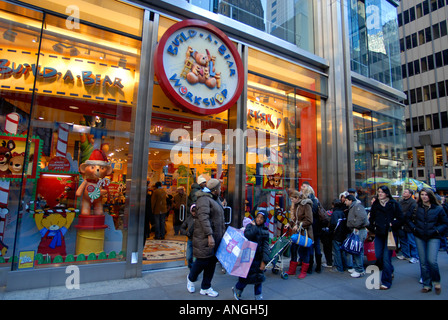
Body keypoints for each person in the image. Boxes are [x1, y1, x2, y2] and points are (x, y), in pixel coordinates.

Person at [187, 179, 226, 297]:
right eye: (219, 188)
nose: (220, 190)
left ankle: (206, 287)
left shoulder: (215, 199)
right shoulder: (204, 199)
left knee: (212, 262)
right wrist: (210, 235)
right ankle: (191, 278)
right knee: (202, 261)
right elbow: (204, 219)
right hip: (205, 237)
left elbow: (217, 217)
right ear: (214, 190)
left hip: (216, 237)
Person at [406, 188, 448, 294]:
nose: (424, 196)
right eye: (422, 194)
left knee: (432, 261)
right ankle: (427, 284)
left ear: (430, 196)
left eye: (426, 194)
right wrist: (414, 229)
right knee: (423, 262)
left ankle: (436, 281)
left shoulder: (438, 208)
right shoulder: (416, 206)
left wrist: (437, 231)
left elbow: (445, 222)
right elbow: (407, 218)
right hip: (420, 235)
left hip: (433, 236)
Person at [367, 185, 404, 290]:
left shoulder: (393, 204)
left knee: (386, 258)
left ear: (387, 193)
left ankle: (386, 282)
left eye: (382, 192)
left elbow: (401, 218)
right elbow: (371, 218)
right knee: (378, 255)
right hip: (379, 233)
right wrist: (373, 227)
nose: (380, 194)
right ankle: (390, 269)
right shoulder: (376, 204)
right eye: (379, 192)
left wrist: (392, 224)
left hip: (390, 234)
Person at [232, 210, 270, 300]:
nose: (259, 219)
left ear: (264, 220)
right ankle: (237, 290)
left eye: (262, 218)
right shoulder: (250, 226)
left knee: (258, 279)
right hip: (248, 257)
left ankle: (258, 296)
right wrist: (255, 227)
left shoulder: (265, 231)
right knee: (245, 277)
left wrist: (264, 261)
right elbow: (248, 235)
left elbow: (265, 246)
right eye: (258, 217)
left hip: (258, 258)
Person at [285, 190, 313, 279]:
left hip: (304, 233)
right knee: (293, 250)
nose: (291, 201)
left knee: (304, 252)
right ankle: (292, 270)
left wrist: (299, 225)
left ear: (297, 198)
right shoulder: (296, 205)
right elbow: (294, 219)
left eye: (292, 199)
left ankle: (303, 272)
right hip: (296, 233)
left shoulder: (306, 205)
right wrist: (289, 224)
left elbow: (309, 220)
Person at [345, 194, 369, 278]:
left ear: (350, 200)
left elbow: (362, 217)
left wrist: (355, 226)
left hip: (359, 231)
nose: (345, 202)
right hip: (358, 230)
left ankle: (360, 270)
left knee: (357, 250)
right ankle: (359, 268)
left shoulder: (357, 206)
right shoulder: (354, 207)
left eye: (346, 200)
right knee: (358, 250)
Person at [397, 189, 419, 263]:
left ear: (410, 194)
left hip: (409, 224)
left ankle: (415, 256)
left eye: (406, 192)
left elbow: (410, 214)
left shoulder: (413, 202)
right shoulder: (401, 202)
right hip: (402, 224)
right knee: (403, 240)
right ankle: (406, 255)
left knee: (411, 241)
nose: (404, 193)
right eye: (404, 191)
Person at [329, 199, 348, 273]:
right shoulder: (343, 212)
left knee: (337, 251)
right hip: (343, 233)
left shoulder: (335, 213)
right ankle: (344, 266)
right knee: (342, 251)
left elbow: (333, 224)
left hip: (336, 234)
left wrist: (330, 231)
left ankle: (339, 267)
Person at [181, 204, 196, 269]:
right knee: (189, 257)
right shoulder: (189, 219)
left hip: (198, 240)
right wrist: (186, 233)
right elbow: (182, 228)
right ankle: (191, 268)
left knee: (196, 258)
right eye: (193, 211)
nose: (194, 212)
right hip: (190, 240)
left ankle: (193, 271)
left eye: (195, 211)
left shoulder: (201, 219)